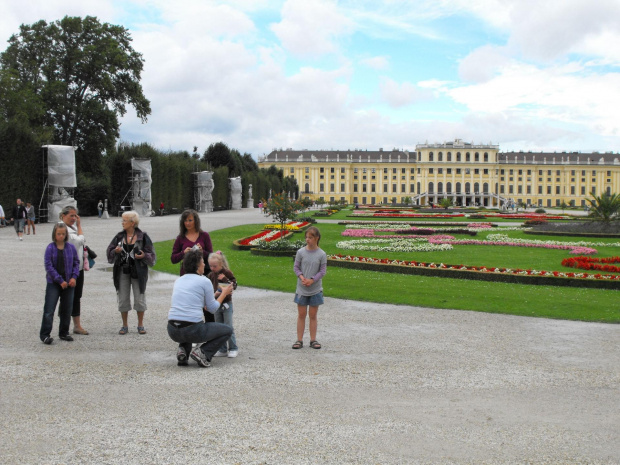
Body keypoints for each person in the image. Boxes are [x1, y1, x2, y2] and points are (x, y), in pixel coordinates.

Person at [167, 249, 234, 367]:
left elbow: (200, 302)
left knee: (185, 321)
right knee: (227, 330)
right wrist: (224, 292)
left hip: (172, 330)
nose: (204, 264)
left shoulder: (178, 280)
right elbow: (212, 309)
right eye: (202, 262)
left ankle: (183, 349)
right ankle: (203, 353)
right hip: (192, 330)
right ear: (197, 266)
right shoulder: (204, 281)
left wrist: (215, 295)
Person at [106, 210, 156, 335]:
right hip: (122, 270)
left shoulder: (143, 237)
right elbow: (109, 251)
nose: (122, 223)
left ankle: (140, 325)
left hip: (138, 272)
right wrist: (115, 252)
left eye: (124, 220)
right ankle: (124, 325)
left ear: (132, 223)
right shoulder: (119, 236)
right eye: (122, 220)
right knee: (123, 299)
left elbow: (152, 255)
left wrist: (144, 256)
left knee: (139, 298)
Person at [40, 222, 79, 344]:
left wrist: (74, 277)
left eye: (63, 234)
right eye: (58, 234)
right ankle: (45, 334)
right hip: (54, 283)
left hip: (69, 282)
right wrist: (59, 280)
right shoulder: (50, 248)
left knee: (66, 309)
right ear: (54, 234)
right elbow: (48, 266)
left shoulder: (71, 248)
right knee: (49, 310)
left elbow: (76, 263)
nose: (61, 236)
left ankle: (64, 332)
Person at [292, 226, 327, 350]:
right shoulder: (301, 252)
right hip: (302, 288)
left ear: (317, 238)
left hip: (315, 289)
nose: (308, 240)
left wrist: (312, 280)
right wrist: (302, 278)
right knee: (301, 314)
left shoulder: (321, 254)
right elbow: (296, 267)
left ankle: (313, 340)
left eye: (310, 237)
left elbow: (322, 271)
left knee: (313, 315)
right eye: (306, 237)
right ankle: (299, 340)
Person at [59, 206, 88, 335]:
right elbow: (79, 241)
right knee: (68, 297)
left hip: (78, 267)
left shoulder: (72, 228)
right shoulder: (62, 229)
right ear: (63, 216)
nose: (74, 218)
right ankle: (65, 325)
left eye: (75, 216)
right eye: (71, 215)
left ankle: (76, 325)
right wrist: (80, 226)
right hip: (68, 269)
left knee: (76, 297)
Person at [207, 251, 238, 358]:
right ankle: (222, 348)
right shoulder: (211, 275)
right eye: (210, 266)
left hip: (227, 304)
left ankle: (233, 348)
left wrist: (224, 279)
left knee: (228, 326)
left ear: (221, 264)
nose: (212, 268)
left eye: (214, 266)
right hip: (217, 304)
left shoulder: (227, 273)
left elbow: (234, 285)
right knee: (219, 327)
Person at [171, 209, 213, 276]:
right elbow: (173, 259)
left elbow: (211, 256)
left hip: (203, 273)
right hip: (186, 274)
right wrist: (183, 253)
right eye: (185, 221)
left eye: (190, 220)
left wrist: (202, 251)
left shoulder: (204, 235)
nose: (187, 223)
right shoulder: (180, 238)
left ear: (195, 221)